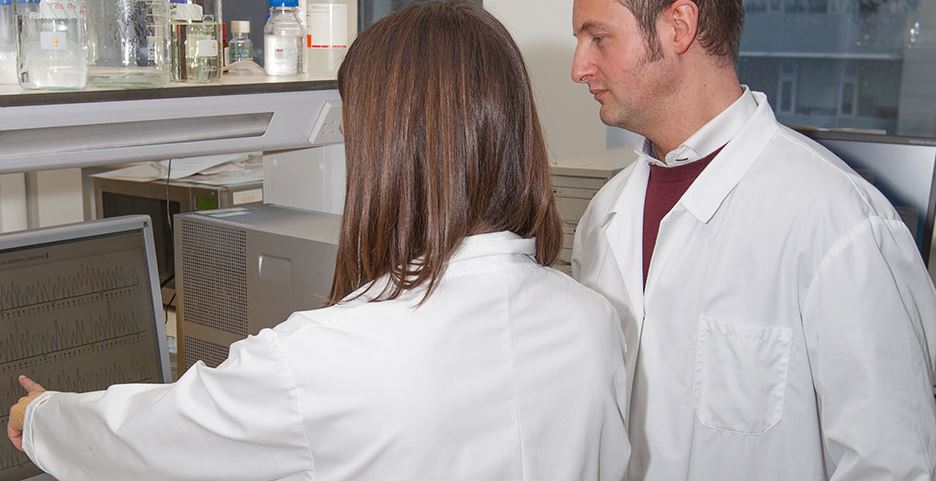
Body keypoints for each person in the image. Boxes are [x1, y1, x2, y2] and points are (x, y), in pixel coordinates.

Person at [6, 2, 631, 480]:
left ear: (386, 153)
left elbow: (149, 439)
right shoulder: (592, 322)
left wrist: (40, 419)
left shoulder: (330, 357)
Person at [570, 0, 936, 479]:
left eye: (598, 38)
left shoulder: (841, 224)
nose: (579, 68)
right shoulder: (603, 219)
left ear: (679, 26)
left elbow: (892, 464)